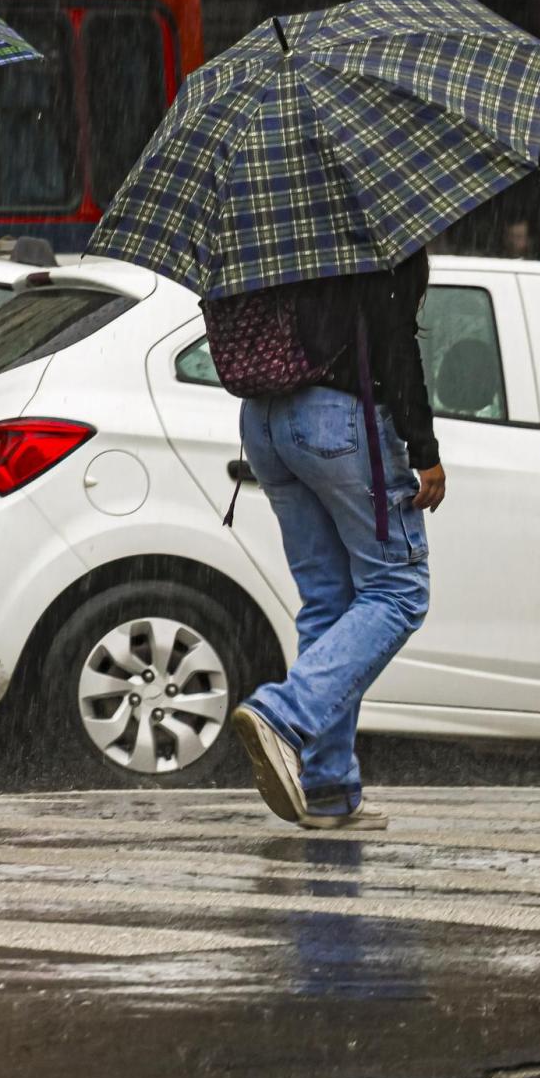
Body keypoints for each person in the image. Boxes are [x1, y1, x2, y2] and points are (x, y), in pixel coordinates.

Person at [229, 251, 446, 832]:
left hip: (265, 422)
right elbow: (395, 340)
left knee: (328, 598)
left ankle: (327, 786)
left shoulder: (283, 220)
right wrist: (424, 448)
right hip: (338, 420)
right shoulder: (371, 232)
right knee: (399, 591)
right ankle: (285, 712)